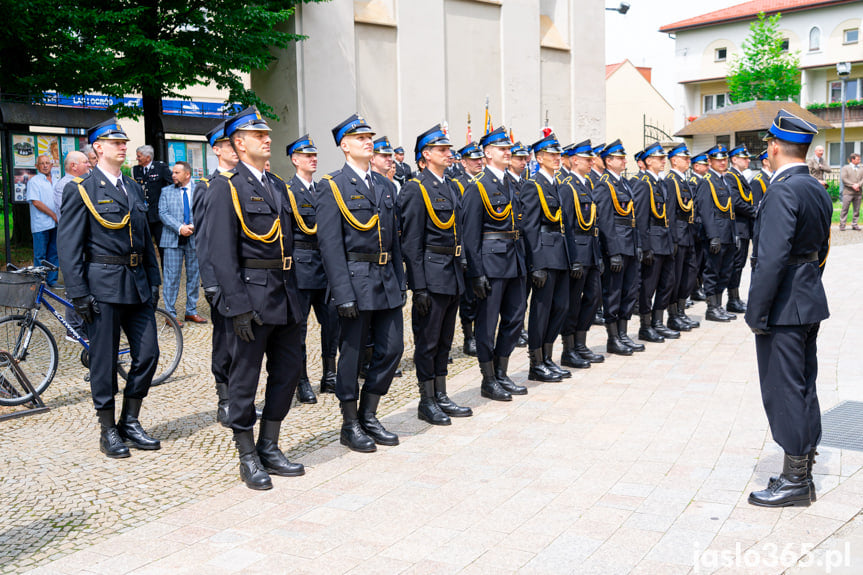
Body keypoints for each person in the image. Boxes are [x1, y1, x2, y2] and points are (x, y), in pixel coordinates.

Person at [206, 106, 305, 490]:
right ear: (239, 143)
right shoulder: (225, 187)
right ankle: (247, 455)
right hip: (251, 296)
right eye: (257, 134)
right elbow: (221, 253)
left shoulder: (278, 185)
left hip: (284, 295)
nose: (267, 138)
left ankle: (270, 445)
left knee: (287, 373)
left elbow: (289, 243)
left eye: (267, 133)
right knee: (244, 380)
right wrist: (237, 305)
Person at [58, 118, 162, 459]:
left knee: (148, 354)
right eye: (115, 142)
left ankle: (130, 421)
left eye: (124, 141)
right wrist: (78, 294)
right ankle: (107, 429)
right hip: (102, 285)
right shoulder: (81, 189)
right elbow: (69, 246)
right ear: (98, 148)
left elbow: (144, 239)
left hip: (137, 285)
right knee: (103, 362)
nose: (123, 146)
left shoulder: (132, 188)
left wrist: (154, 281)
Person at [746, 109, 832, 507]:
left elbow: (772, 258)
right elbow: (821, 249)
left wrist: (756, 311)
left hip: (783, 306)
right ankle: (804, 470)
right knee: (802, 385)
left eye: (768, 144)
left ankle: (795, 481)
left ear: (775, 147)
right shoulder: (814, 186)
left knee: (783, 390)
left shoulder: (782, 189)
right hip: (807, 299)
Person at [316, 114, 405, 453]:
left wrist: (399, 280)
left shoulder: (383, 185)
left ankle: (369, 412)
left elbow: (393, 240)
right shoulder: (332, 185)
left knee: (393, 348)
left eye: (370, 136)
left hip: (384, 281)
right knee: (351, 357)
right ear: (344, 145)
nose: (369, 141)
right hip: (354, 281)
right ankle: (349, 423)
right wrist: (342, 293)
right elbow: (330, 245)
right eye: (360, 138)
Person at [400, 124, 472, 425]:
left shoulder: (451, 186)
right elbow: (411, 242)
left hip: (452, 273)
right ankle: (426, 399)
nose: (448, 153)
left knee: (445, 339)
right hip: (431, 274)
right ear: (425, 156)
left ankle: (441, 394)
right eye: (441, 149)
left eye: (448, 148)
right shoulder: (416, 189)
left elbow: (458, 232)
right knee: (428, 341)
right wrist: (419, 287)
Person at [461, 126, 527, 401]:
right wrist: (476, 273)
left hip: (514, 260)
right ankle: (488, 379)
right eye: (502, 148)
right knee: (487, 325)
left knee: (514, 319)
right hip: (491, 262)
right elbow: (470, 234)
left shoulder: (510, 183)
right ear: (487, 153)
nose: (507, 152)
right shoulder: (478, 186)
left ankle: (501, 371)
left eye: (508, 148)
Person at [285, 134, 339, 404]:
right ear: (295, 160)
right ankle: (301, 380)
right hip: (301, 268)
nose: (313, 159)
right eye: (307, 156)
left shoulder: (321, 190)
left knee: (332, 324)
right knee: (300, 329)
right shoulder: (289, 191)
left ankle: (330, 375)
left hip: (325, 267)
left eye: (315, 155)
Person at [194, 121, 239, 428]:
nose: (235, 148)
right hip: (222, 279)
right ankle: (225, 399)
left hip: (248, 276)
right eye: (229, 144)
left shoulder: (247, 182)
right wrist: (209, 281)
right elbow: (204, 239)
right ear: (217, 150)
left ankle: (241, 397)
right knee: (224, 340)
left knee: (245, 342)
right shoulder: (206, 187)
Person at [521, 134, 571, 382]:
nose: (557, 158)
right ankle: (536, 362)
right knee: (541, 310)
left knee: (560, 307)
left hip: (560, 253)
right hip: (544, 254)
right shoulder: (533, 185)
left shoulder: (556, 184)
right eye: (551, 155)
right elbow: (530, 227)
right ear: (539, 158)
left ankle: (548, 356)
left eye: (558, 154)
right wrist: (536, 263)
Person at [594, 140, 644, 356]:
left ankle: (623, 334)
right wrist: (613, 252)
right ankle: (613, 338)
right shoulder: (604, 185)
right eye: (620, 158)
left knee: (629, 292)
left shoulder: (623, 183)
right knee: (613, 293)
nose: (624, 161)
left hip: (630, 245)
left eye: (624, 157)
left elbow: (633, 217)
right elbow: (605, 221)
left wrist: (638, 244)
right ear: (608, 161)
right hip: (617, 248)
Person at [558, 140, 605, 368]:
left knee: (594, 297)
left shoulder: (588, 184)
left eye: (592, 159)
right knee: (573, 302)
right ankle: (569, 349)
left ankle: (581, 342)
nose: (591, 162)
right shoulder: (568, 187)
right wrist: (572, 257)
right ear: (575, 160)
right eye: (587, 159)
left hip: (592, 252)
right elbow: (565, 224)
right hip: (578, 251)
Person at [632, 143, 679, 343]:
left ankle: (658, 322)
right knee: (648, 286)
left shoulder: (662, 183)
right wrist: (645, 246)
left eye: (664, 158)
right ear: (648, 160)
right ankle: (646, 325)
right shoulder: (643, 183)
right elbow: (641, 218)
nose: (663, 161)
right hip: (653, 242)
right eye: (659, 158)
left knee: (667, 283)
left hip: (665, 241)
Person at [158, 161, 205, 326]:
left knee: (193, 276)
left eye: (177, 173)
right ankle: (170, 314)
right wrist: (179, 228)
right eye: (173, 172)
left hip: (194, 238)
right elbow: (162, 213)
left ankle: (191, 311)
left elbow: (204, 211)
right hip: (172, 239)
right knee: (171, 277)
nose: (173, 175)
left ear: (187, 174)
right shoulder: (165, 191)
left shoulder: (200, 190)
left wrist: (192, 226)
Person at [695, 145, 737, 322]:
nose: (722, 163)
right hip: (716, 234)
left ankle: (719, 305)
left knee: (725, 271)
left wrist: (734, 235)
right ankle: (711, 308)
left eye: (724, 159)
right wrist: (713, 236)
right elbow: (705, 211)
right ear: (710, 162)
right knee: (712, 271)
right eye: (718, 160)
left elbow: (729, 210)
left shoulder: (724, 180)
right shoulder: (707, 181)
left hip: (727, 233)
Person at [53, 151, 92, 340]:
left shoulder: (81, 182)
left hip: (82, 239)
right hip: (73, 239)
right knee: (74, 283)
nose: (89, 165)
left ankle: (81, 325)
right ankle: (74, 328)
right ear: (74, 166)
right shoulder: (67, 185)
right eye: (85, 162)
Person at [451, 141, 484, 357]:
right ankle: (469, 337)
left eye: (480, 159)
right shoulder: (458, 184)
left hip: (486, 245)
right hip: (467, 244)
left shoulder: (485, 182)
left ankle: (481, 334)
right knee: (469, 297)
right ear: (463, 163)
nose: (479, 162)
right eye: (473, 160)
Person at [664, 143, 700, 332]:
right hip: (678, 234)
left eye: (688, 158)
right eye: (685, 158)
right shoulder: (671, 181)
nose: (688, 161)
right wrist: (672, 238)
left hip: (688, 233)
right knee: (675, 277)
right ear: (674, 160)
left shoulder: (684, 180)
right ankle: (673, 315)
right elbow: (669, 212)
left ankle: (681, 310)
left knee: (689, 274)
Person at [725, 145, 757, 313]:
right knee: (736, 264)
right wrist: (755, 211)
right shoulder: (731, 177)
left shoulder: (739, 176)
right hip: (737, 226)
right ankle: (732, 299)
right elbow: (736, 202)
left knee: (740, 263)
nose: (748, 160)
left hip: (743, 226)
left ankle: (735, 297)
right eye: (744, 158)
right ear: (734, 159)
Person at [133, 145, 173, 263]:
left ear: (148, 157)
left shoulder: (160, 167)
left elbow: (171, 184)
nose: (137, 158)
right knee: (143, 245)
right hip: (143, 215)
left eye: (139, 156)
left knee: (162, 246)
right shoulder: (136, 170)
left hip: (158, 215)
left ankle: (167, 274)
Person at [27, 154, 60, 286]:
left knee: (54, 253)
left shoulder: (57, 180)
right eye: (42, 163)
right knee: (40, 255)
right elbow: (36, 202)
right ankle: (39, 283)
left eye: (47, 163)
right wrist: (53, 215)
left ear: (52, 165)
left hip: (56, 224)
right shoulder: (34, 181)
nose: (45, 165)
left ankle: (52, 281)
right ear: (37, 166)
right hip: (41, 224)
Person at [839, 153, 863, 231]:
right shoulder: (845, 168)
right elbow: (844, 179)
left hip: (858, 192)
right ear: (852, 159)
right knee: (845, 209)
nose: (859, 161)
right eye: (858, 159)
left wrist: (858, 185)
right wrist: (853, 185)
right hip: (848, 192)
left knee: (857, 209)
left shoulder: (861, 168)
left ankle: (854, 224)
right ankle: (842, 224)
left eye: (860, 159)